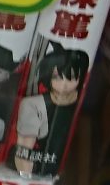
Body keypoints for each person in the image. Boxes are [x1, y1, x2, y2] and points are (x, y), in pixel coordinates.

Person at [15, 45, 89, 177]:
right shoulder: (34, 105)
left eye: (71, 77)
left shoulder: (80, 105)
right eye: (57, 77)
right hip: (38, 168)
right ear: (48, 76)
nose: (64, 84)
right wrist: (26, 175)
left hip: (68, 170)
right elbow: (23, 150)